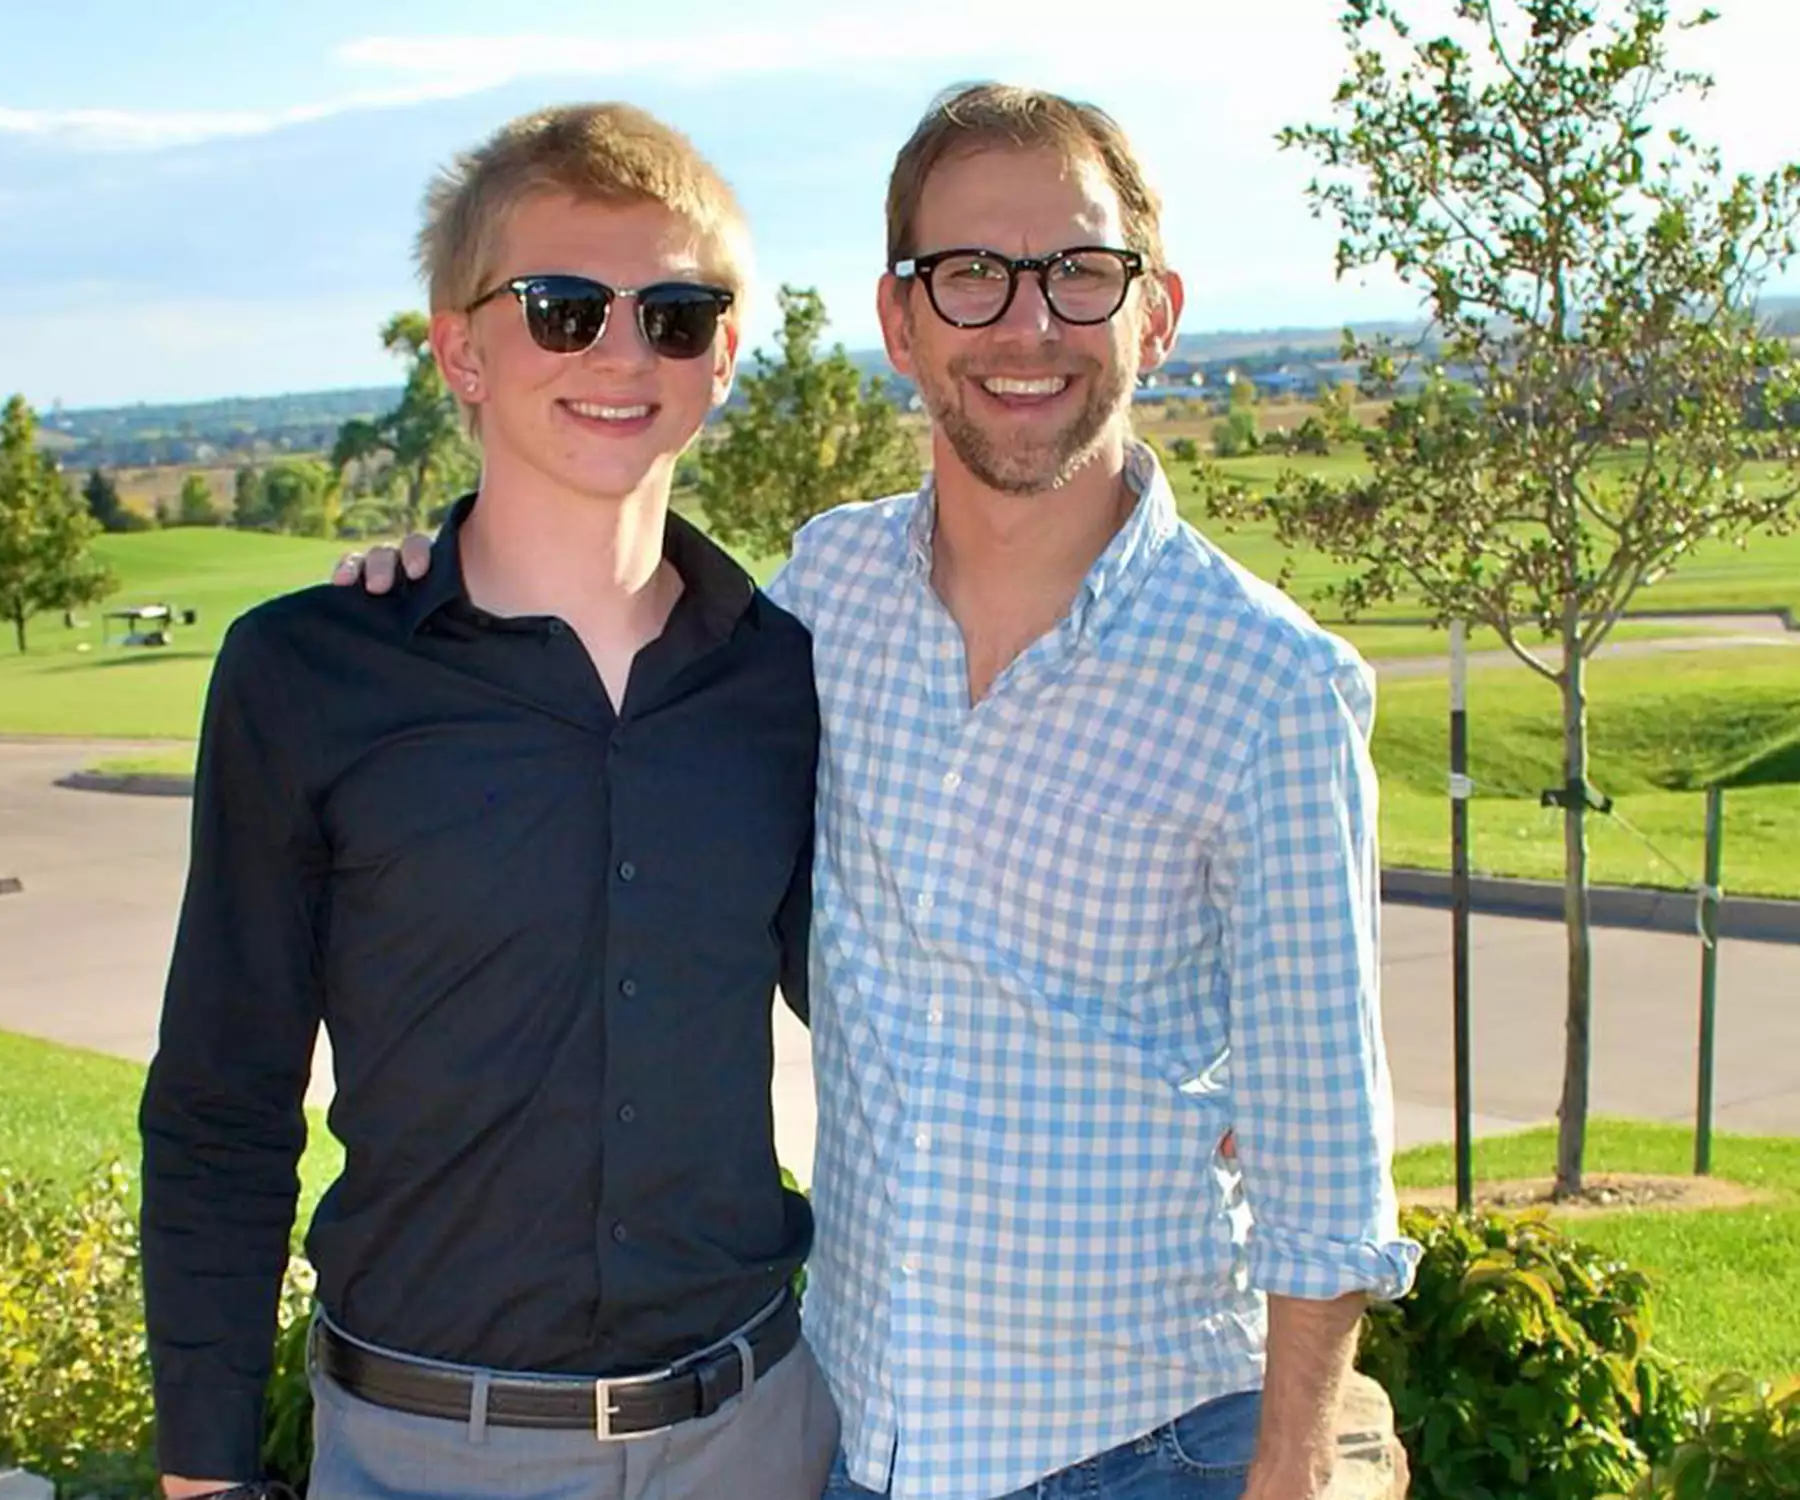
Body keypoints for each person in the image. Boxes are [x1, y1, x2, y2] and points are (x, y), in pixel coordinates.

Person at [343, 84, 1420, 1500]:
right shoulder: (823, 601)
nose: (1025, 327)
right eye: (969, 276)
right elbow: (615, 623)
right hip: (861, 1442)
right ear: (900, 321)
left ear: (1154, 315)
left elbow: (1323, 1146)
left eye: (1079, 275)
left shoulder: (1271, 685)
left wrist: (1294, 1463)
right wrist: (434, 577)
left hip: (1144, 1451)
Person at [141, 101, 837, 1500]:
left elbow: (897, 1000)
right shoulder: (307, 673)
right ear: (459, 349)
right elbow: (222, 1097)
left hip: (759, 1438)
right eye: (565, 309)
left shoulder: (792, 680)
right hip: (421, 1454)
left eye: (678, 313)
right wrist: (205, 1470)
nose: (625, 352)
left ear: (726, 360)